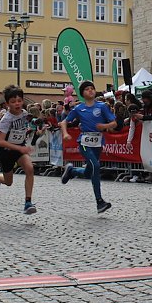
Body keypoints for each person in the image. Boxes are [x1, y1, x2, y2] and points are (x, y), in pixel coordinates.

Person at [59, 80, 117, 213]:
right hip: (84, 142)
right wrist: (66, 133)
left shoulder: (102, 106)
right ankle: (99, 201)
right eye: (87, 89)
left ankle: (72, 171)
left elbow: (114, 122)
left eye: (92, 88)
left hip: (98, 143)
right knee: (96, 166)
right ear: (82, 94)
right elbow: (63, 122)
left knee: (88, 172)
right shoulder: (79, 108)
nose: (90, 90)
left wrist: (105, 126)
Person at [0, 85, 38, 214]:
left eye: (19, 100)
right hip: (7, 152)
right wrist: (18, 147)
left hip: (19, 149)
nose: (17, 104)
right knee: (8, 182)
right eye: (13, 101)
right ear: (7, 104)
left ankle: (28, 202)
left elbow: (21, 129)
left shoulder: (25, 114)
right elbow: (0, 141)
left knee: (30, 169)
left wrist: (26, 133)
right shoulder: (6, 120)